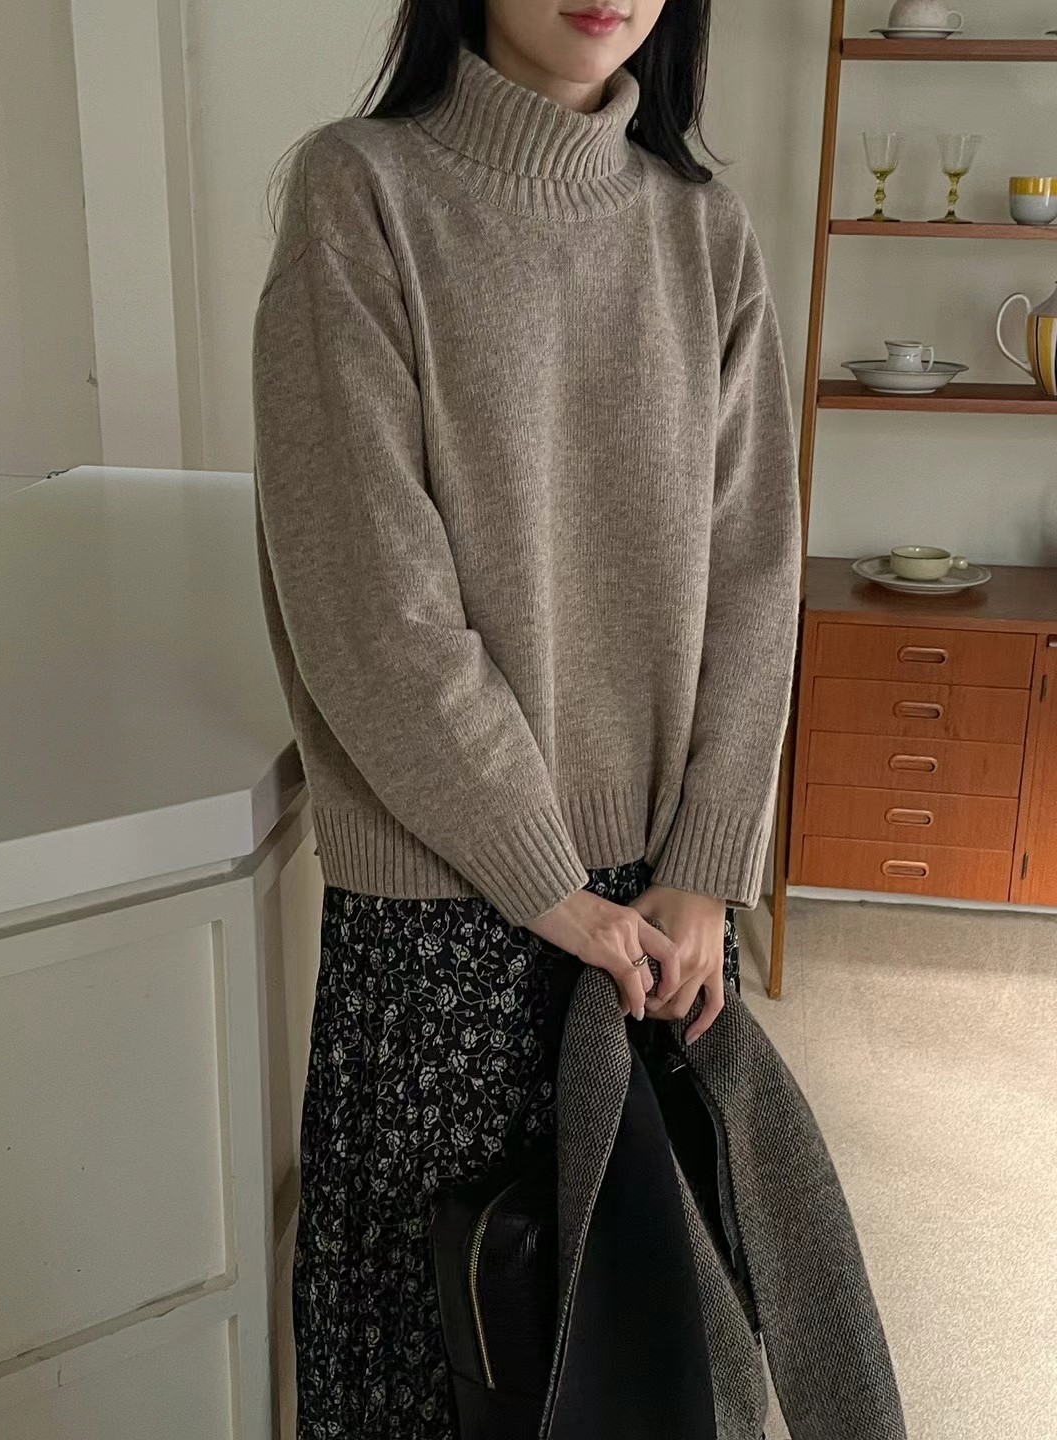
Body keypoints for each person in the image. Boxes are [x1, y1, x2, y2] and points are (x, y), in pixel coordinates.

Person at [252, 0, 801, 1434]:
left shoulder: (705, 228)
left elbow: (756, 576)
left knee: (655, 1362)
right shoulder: (362, 190)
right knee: (440, 1372)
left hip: (665, 915)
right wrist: (548, 881)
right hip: (447, 907)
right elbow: (371, 599)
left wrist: (705, 870)